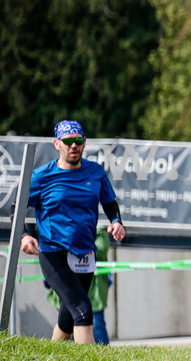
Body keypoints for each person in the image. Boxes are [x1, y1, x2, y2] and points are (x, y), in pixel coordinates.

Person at [20, 120, 126, 344]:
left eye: (78, 141)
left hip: (85, 254)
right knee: (83, 310)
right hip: (53, 253)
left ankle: (50, 360)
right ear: (57, 143)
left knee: (68, 319)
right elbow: (15, 207)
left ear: (84, 142)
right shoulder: (42, 176)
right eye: (68, 142)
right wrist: (25, 234)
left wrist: (116, 221)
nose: (74, 146)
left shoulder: (95, 172)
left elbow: (110, 202)